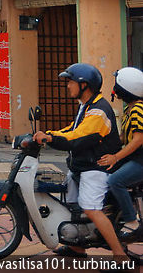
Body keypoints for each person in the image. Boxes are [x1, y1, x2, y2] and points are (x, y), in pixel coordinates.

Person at [33, 63, 125, 261]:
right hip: (80, 167)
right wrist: (48, 135)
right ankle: (77, 248)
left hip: (95, 168)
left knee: (90, 208)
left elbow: (79, 137)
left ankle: (120, 255)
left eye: (71, 82)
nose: (68, 86)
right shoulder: (87, 106)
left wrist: (50, 139)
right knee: (71, 207)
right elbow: (71, 129)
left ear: (84, 85)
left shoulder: (99, 110)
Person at [99, 67, 143, 240]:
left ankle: (132, 220)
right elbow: (124, 137)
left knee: (115, 180)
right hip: (135, 158)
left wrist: (116, 157)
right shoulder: (129, 110)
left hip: (140, 160)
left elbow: (138, 140)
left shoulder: (138, 109)